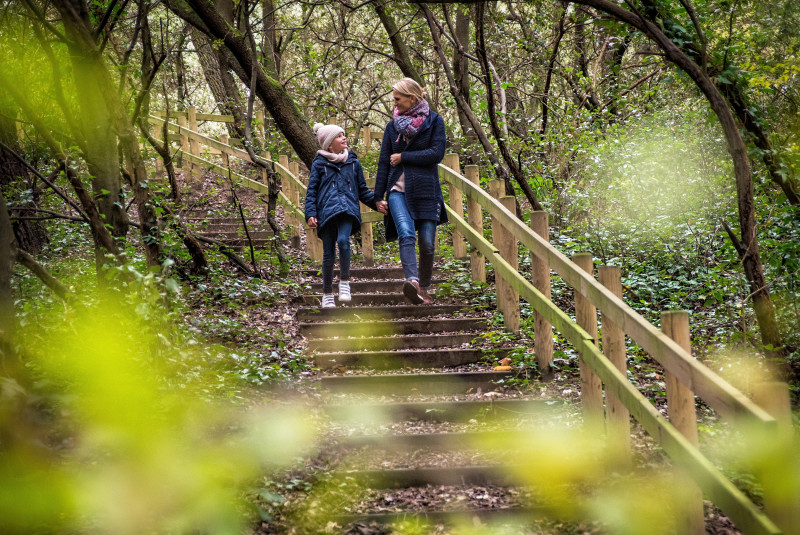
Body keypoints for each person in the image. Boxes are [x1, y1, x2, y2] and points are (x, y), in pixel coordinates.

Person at [374, 78, 447, 305]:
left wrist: (404, 156)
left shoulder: (434, 122)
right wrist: (377, 197)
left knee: (427, 243)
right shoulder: (392, 126)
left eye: (398, 99)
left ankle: (424, 287)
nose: (394, 104)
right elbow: (384, 163)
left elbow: (436, 154)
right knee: (405, 233)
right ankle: (413, 282)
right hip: (397, 190)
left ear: (412, 98)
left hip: (426, 189)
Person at [305, 123, 377, 308]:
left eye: (344, 135)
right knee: (328, 253)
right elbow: (311, 191)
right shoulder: (319, 164)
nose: (344, 138)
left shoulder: (353, 163)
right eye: (339, 136)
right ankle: (327, 293)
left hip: (347, 210)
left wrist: (377, 203)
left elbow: (362, 190)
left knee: (344, 241)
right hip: (326, 213)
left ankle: (344, 282)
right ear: (329, 145)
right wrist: (310, 213)